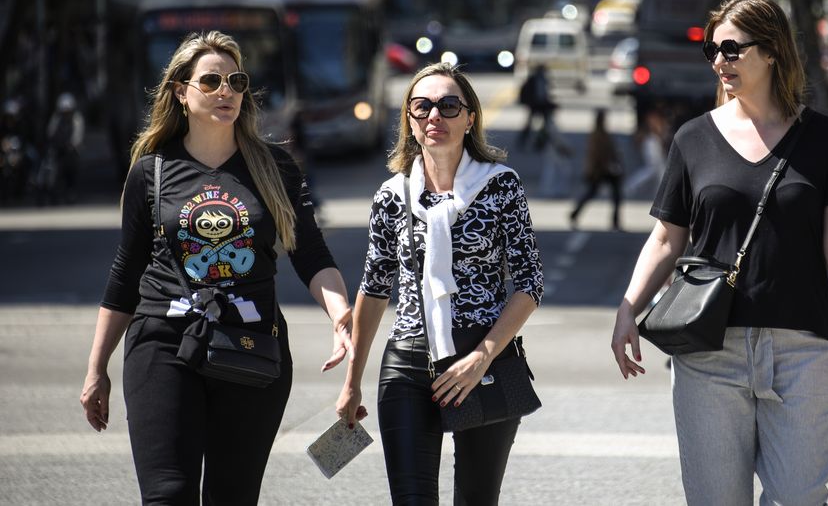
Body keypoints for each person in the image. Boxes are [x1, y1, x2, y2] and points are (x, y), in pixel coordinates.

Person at [611, 0, 828, 505]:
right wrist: (627, 310)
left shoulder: (826, 139)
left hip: (804, 349)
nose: (719, 60)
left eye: (732, 48)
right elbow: (666, 237)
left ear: (771, 51)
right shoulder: (693, 138)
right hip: (708, 349)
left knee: (799, 497)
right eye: (713, 49)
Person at [79, 31, 354, 504]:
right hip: (162, 343)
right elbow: (126, 272)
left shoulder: (275, 167)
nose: (225, 90)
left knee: (233, 495)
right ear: (181, 92)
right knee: (168, 494)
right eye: (211, 81)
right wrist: (96, 367)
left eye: (236, 80)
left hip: (251, 342)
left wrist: (340, 312)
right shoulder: (152, 170)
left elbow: (311, 254)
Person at [337, 61, 544, 504]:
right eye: (422, 106)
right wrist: (352, 382)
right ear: (409, 121)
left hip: (481, 360)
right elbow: (374, 290)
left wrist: (481, 358)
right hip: (408, 364)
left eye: (449, 106)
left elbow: (530, 282)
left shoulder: (501, 186)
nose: (436, 116)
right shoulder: (391, 196)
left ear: (470, 118)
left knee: (476, 498)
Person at [569, 109, 623, 230]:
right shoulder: (598, 135)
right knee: (593, 193)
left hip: (605, 169)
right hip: (600, 170)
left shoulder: (603, 133)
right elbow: (596, 154)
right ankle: (575, 214)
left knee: (614, 195)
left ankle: (615, 221)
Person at [624, 108, 670, 199]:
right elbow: (656, 133)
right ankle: (631, 185)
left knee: (660, 170)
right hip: (651, 143)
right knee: (653, 169)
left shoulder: (655, 121)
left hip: (652, 142)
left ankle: (661, 195)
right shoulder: (653, 121)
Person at [517, 64, 555, 150]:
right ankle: (523, 142)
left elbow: (544, 95)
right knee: (530, 125)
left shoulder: (543, 80)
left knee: (545, 126)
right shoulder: (533, 80)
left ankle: (540, 144)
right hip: (535, 105)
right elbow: (535, 94)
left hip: (542, 105)